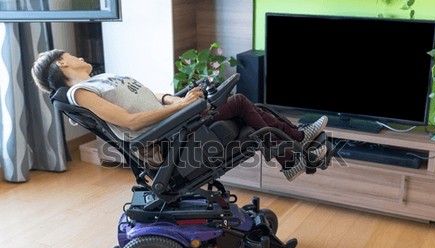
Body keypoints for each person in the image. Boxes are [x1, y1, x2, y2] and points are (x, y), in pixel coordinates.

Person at [31, 49, 328, 181]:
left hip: (174, 122)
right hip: (167, 138)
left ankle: (294, 151)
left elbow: (152, 96)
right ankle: (295, 149)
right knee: (238, 102)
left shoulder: (103, 79)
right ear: (62, 65)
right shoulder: (79, 93)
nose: (79, 56)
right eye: (71, 56)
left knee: (253, 110)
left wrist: (178, 99)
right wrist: (182, 107)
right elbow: (130, 122)